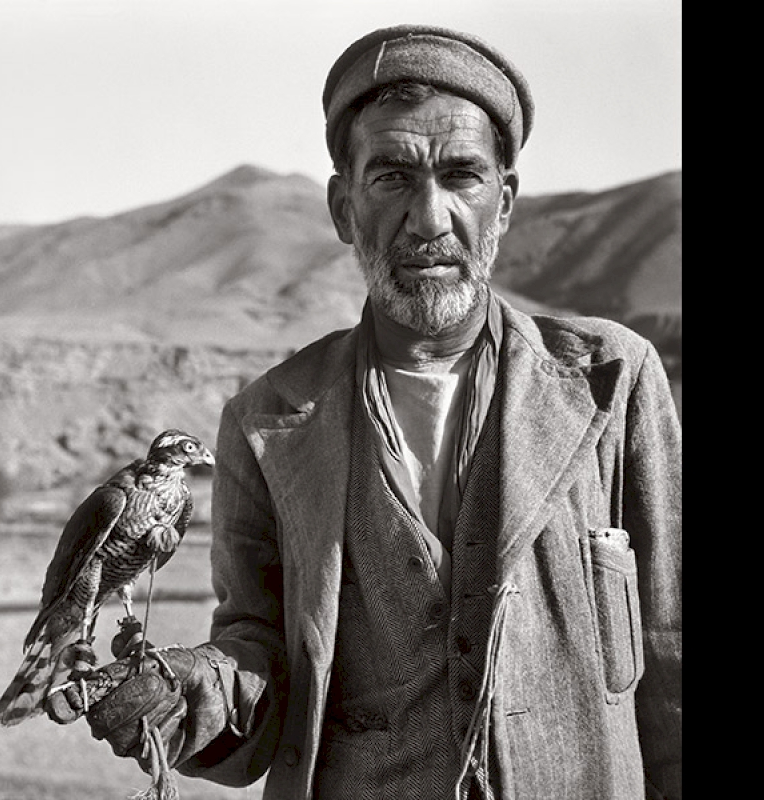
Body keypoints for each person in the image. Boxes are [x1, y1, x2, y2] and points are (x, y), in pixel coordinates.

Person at [50, 23, 682, 800]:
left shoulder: (613, 381)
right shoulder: (269, 421)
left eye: (461, 177)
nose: (429, 217)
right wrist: (190, 691)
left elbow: (672, 651)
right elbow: (259, 656)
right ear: (344, 207)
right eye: (391, 179)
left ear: (505, 202)